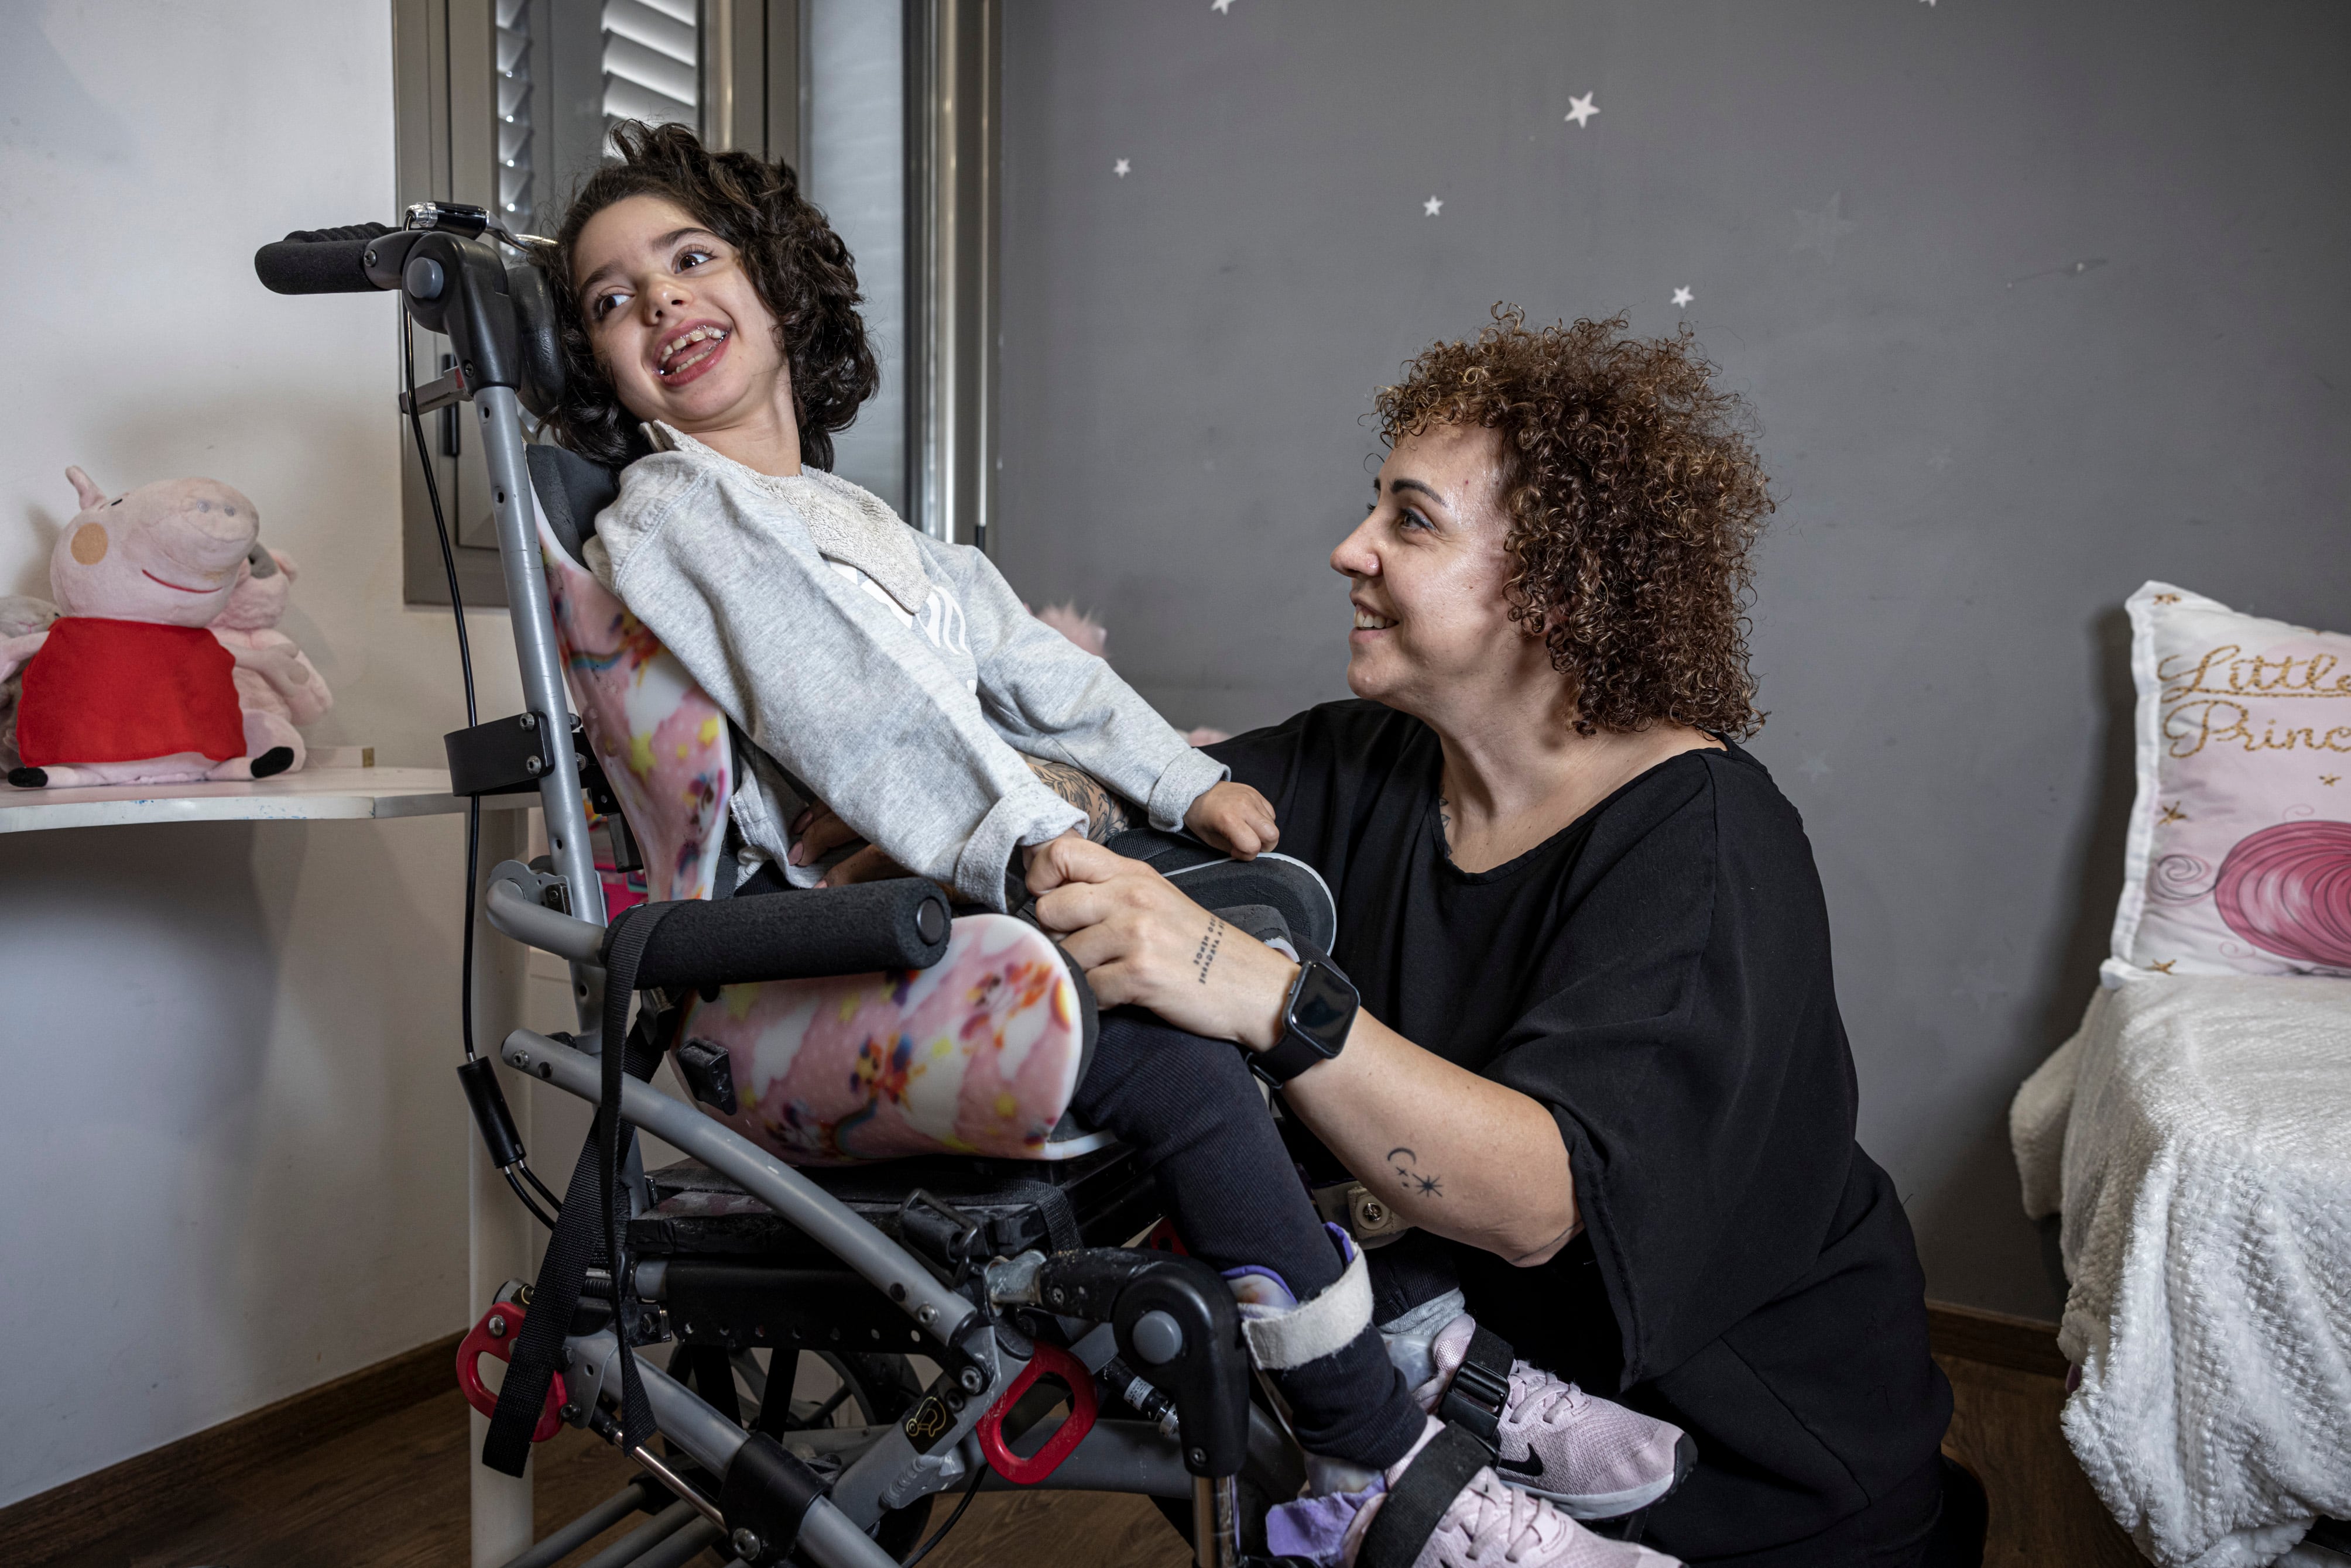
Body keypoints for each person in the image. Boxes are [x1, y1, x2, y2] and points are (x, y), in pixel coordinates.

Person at [540, 126, 1680, 1568]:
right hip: (805, 980)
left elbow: (1033, 667)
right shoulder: (678, 511)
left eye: (689, 259)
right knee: (1177, 1043)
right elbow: (851, 712)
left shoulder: (866, 524)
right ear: (602, 363)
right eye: (608, 299)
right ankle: (1373, 1455)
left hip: (922, 927)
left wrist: (1171, 780)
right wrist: (1024, 836)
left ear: (775, 287)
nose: (657, 304)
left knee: (1245, 960)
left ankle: (1419, 1343)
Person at [1025, 310, 1958, 1566]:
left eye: (1410, 520)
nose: (1348, 548)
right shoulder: (1368, 762)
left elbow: (1536, 1202)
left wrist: (1251, 985)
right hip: (1473, 1442)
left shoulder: (1706, 843)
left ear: (1556, 585)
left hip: (1741, 1467)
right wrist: (1010, 791)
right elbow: (1135, 791)